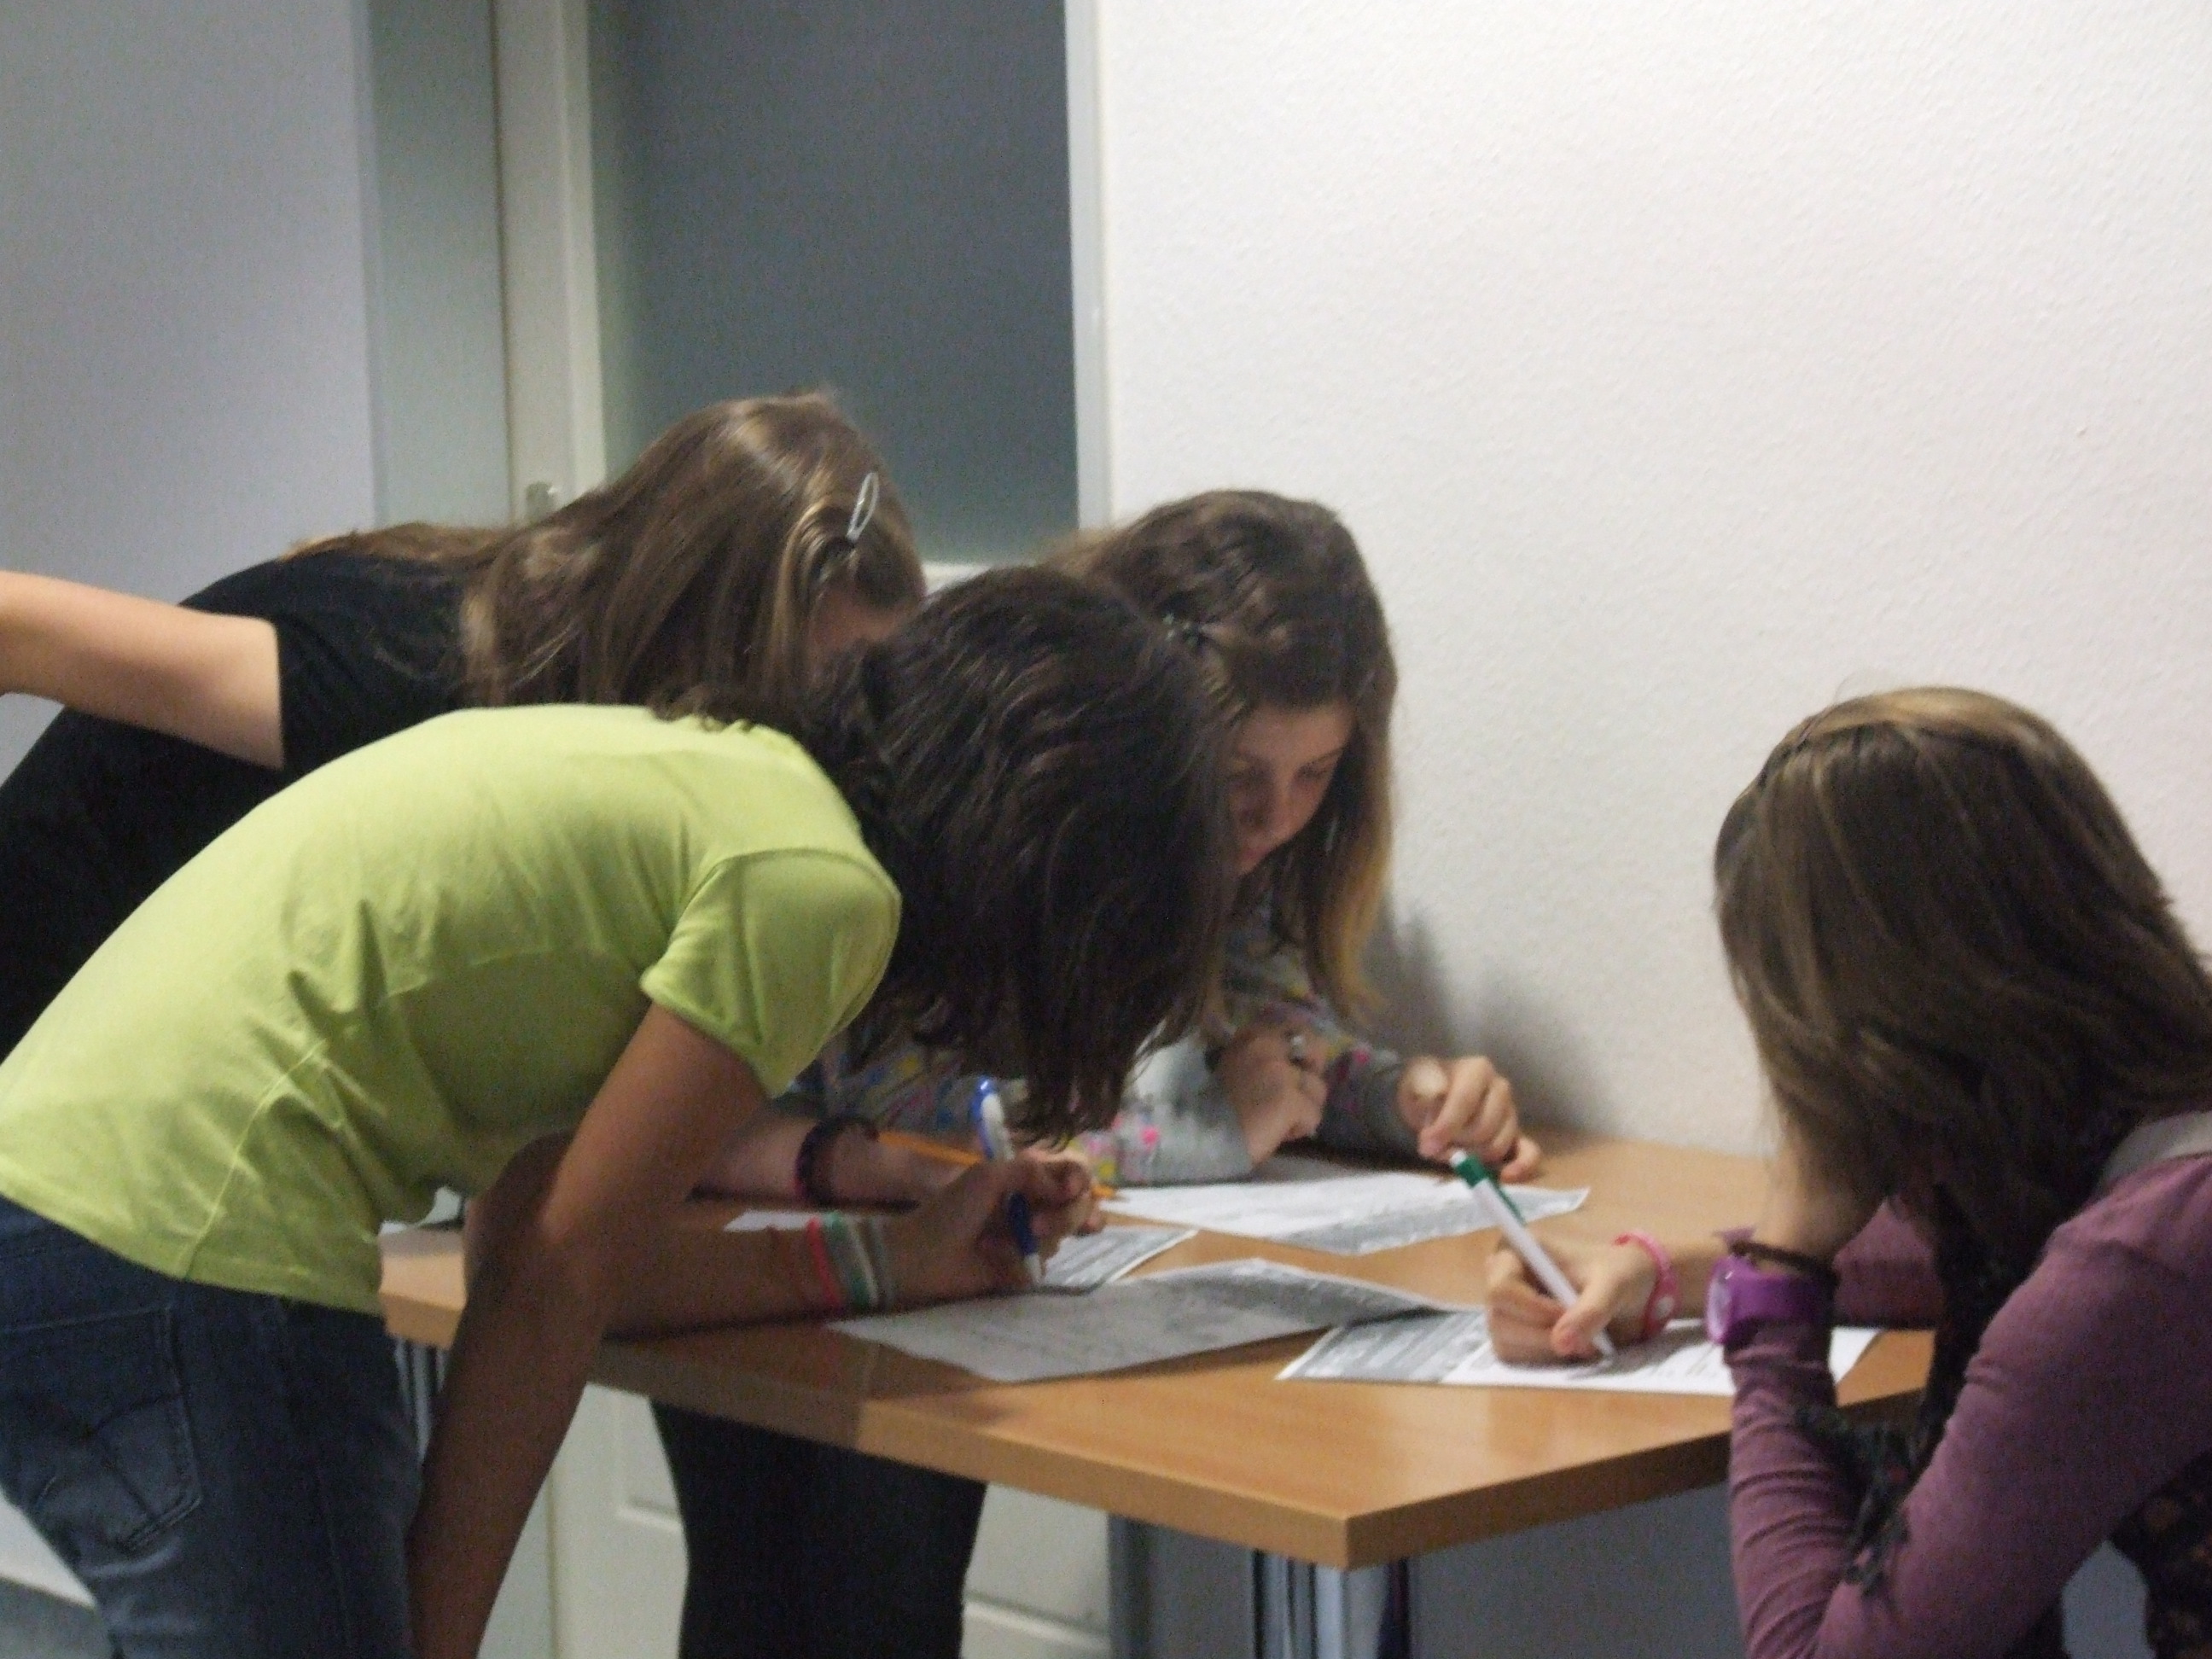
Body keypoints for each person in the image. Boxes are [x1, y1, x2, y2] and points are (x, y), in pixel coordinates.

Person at [0, 567, 1235, 1659]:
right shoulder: (819, 889)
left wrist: (897, 1261)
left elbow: (539, 1249)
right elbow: (547, 1292)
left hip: (55, 1196)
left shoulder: (710, 781)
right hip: (188, 1239)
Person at [655, 489, 1541, 1659]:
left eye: (1317, 775)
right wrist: (1204, 1130)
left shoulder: (1245, 838)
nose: (1272, 817)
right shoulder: (996, 778)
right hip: (757, 1199)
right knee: (785, 1582)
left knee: (894, 1597)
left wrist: (1399, 1097)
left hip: (918, 1248)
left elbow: (1272, 1022)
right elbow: (903, 1107)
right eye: (1241, 774)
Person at [1485, 689, 2212, 1659]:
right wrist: (1665, 1270)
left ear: (1884, 1038)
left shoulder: (2134, 1277)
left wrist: (1780, 1278)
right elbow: (1929, 1261)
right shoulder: (2164, 1148)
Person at [0, 391, 926, 1059]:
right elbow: (16, 630)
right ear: (703, 632)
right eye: (814, 689)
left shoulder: (530, 681)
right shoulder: (400, 664)